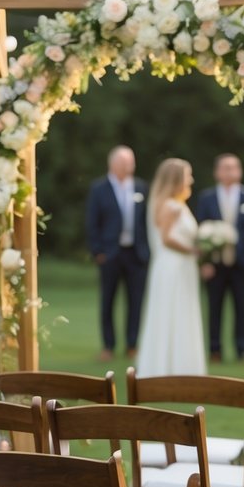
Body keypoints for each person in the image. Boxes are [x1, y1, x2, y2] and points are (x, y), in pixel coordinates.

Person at [136, 158, 206, 377]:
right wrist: (192, 250)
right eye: (188, 175)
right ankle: (168, 366)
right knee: (171, 311)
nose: (191, 179)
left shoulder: (176, 204)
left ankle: (182, 365)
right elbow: (166, 239)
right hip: (173, 266)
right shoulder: (170, 206)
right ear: (176, 179)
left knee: (181, 311)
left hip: (180, 266)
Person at [196, 153, 244, 362]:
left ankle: (241, 349)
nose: (230, 171)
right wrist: (204, 262)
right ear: (217, 172)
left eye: (234, 167)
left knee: (241, 307)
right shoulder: (206, 198)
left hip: (241, 263)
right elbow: (199, 231)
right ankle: (214, 349)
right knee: (214, 307)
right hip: (215, 264)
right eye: (225, 167)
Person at [86, 145, 149, 360]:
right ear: (112, 164)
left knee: (136, 301)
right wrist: (98, 252)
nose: (128, 166)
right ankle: (108, 345)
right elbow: (92, 223)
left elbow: (147, 221)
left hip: (136, 254)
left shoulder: (141, 187)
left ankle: (132, 344)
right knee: (108, 301)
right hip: (110, 254)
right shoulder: (99, 188)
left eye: (130, 162)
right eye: (123, 162)